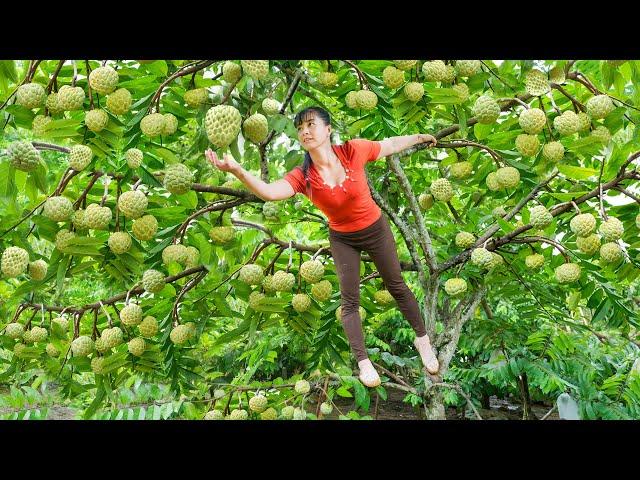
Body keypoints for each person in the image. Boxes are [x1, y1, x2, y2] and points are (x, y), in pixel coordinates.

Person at [205, 106, 439, 388]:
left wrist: (418, 136)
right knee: (349, 300)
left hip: (375, 229)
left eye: (310, 125)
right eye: (300, 128)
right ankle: (364, 363)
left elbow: (388, 145)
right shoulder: (303, 176)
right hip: (343, 238)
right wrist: (238, 170)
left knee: (396, 285)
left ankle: (423, 341)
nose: (305, 131)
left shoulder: (353, 151)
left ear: (328, 129)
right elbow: (269, 192)